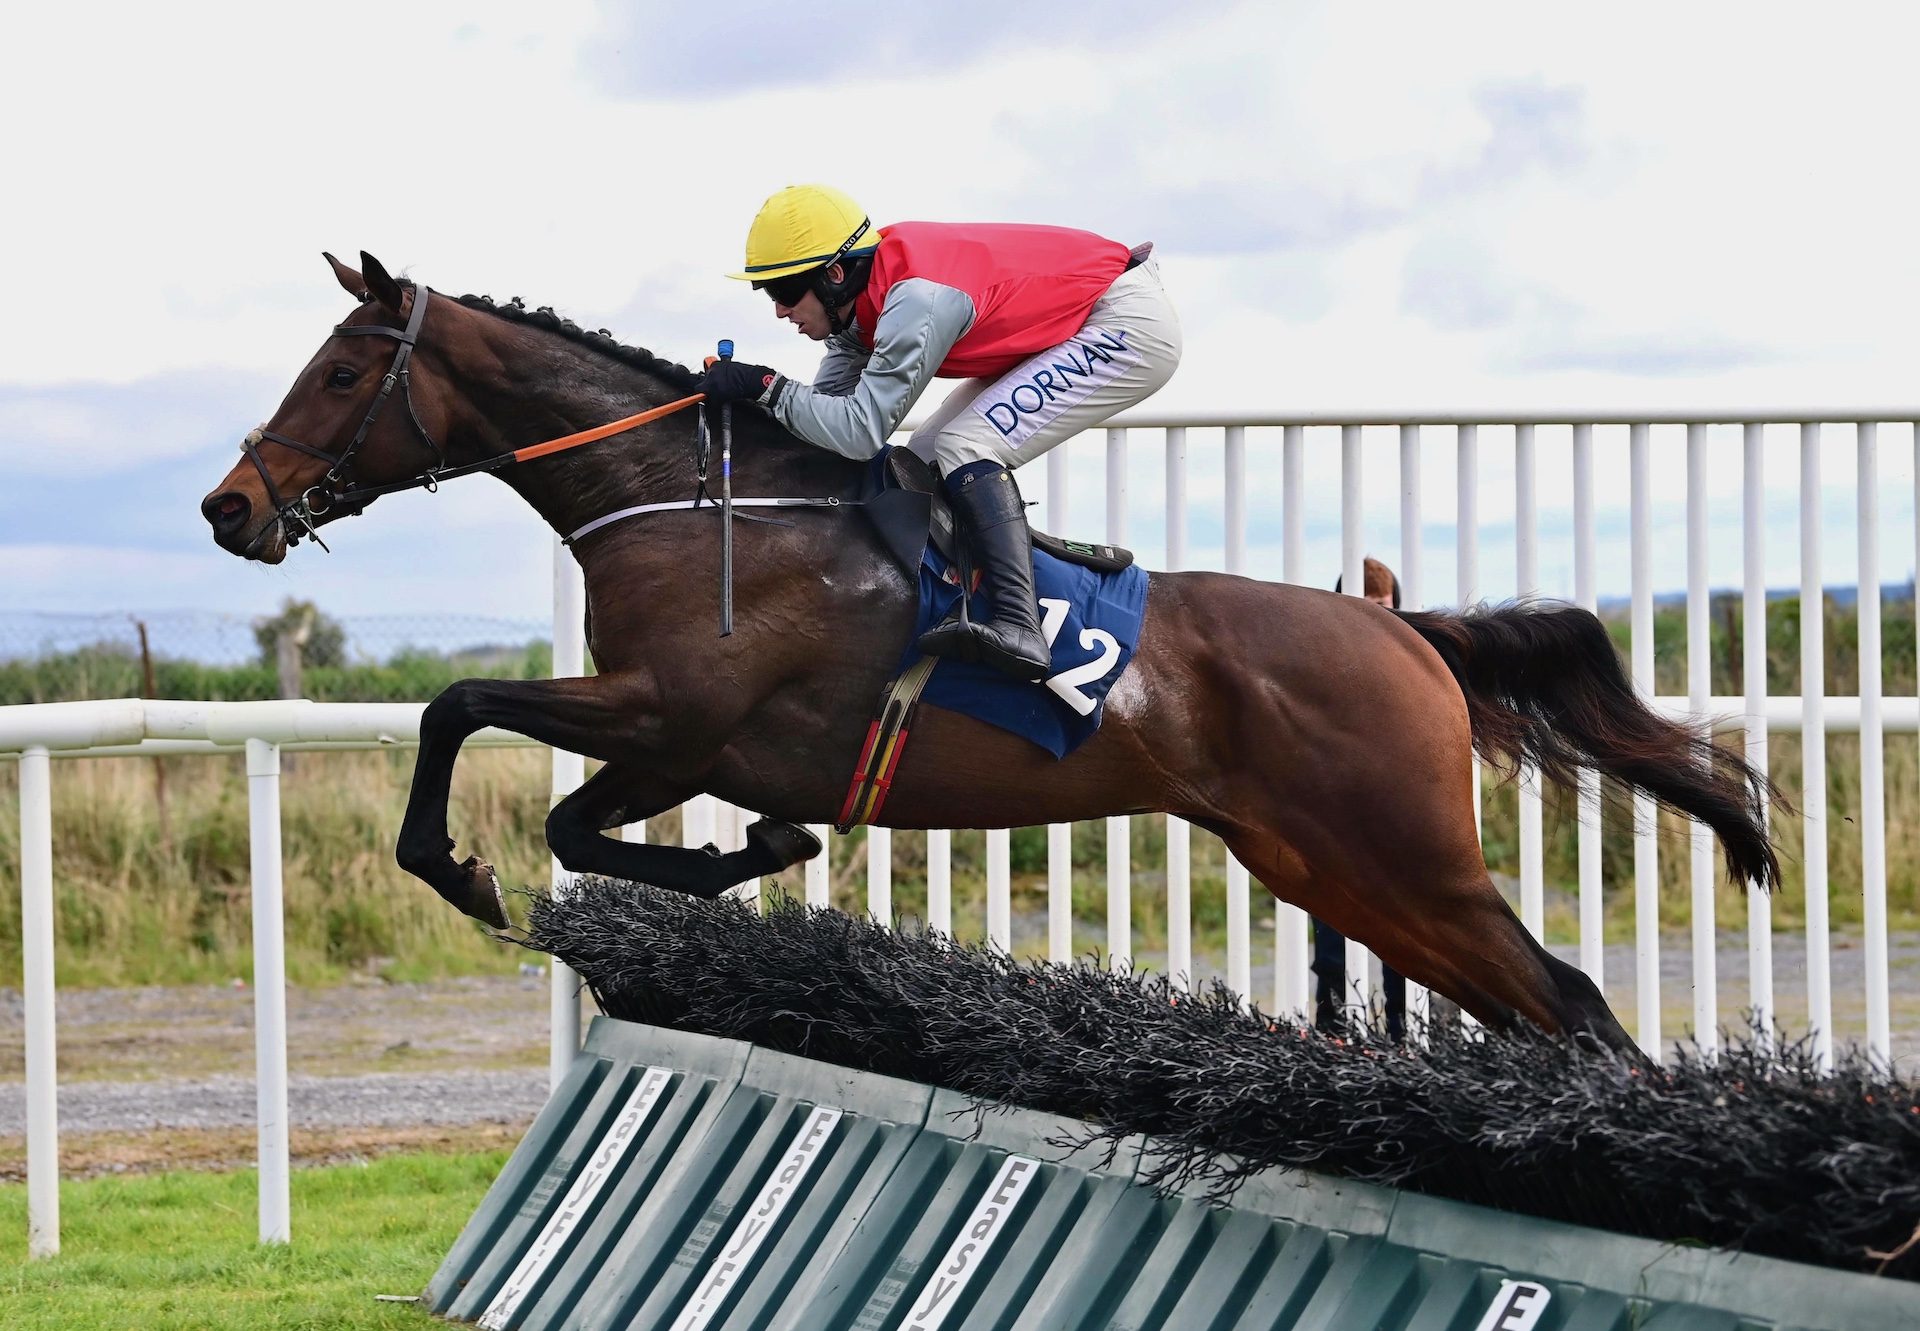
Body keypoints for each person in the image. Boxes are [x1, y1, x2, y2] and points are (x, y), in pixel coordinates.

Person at [699, 184, 1182, 681]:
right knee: (920, 465)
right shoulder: (857, 312)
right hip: (1076, 321)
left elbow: (860, 433)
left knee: (964, 447)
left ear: (835, 275)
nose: (779, 311)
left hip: (1125, 324)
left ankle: (1020, 624)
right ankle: (979, 593)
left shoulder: (915, 300)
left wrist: (764, 386)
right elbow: (828, 425)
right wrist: (745, 404)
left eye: (783, 292)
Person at [1314, 556, 1410, 1041]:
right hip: (1334, 821)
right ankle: (1331, 1034)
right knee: (1331, 942)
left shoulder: (1413, 664)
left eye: (1384, 607)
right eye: (1365, 606)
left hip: (1395, 820)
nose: (1376, 618)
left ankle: (1401, 1034)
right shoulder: (1319, 663)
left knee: (1406, 940)